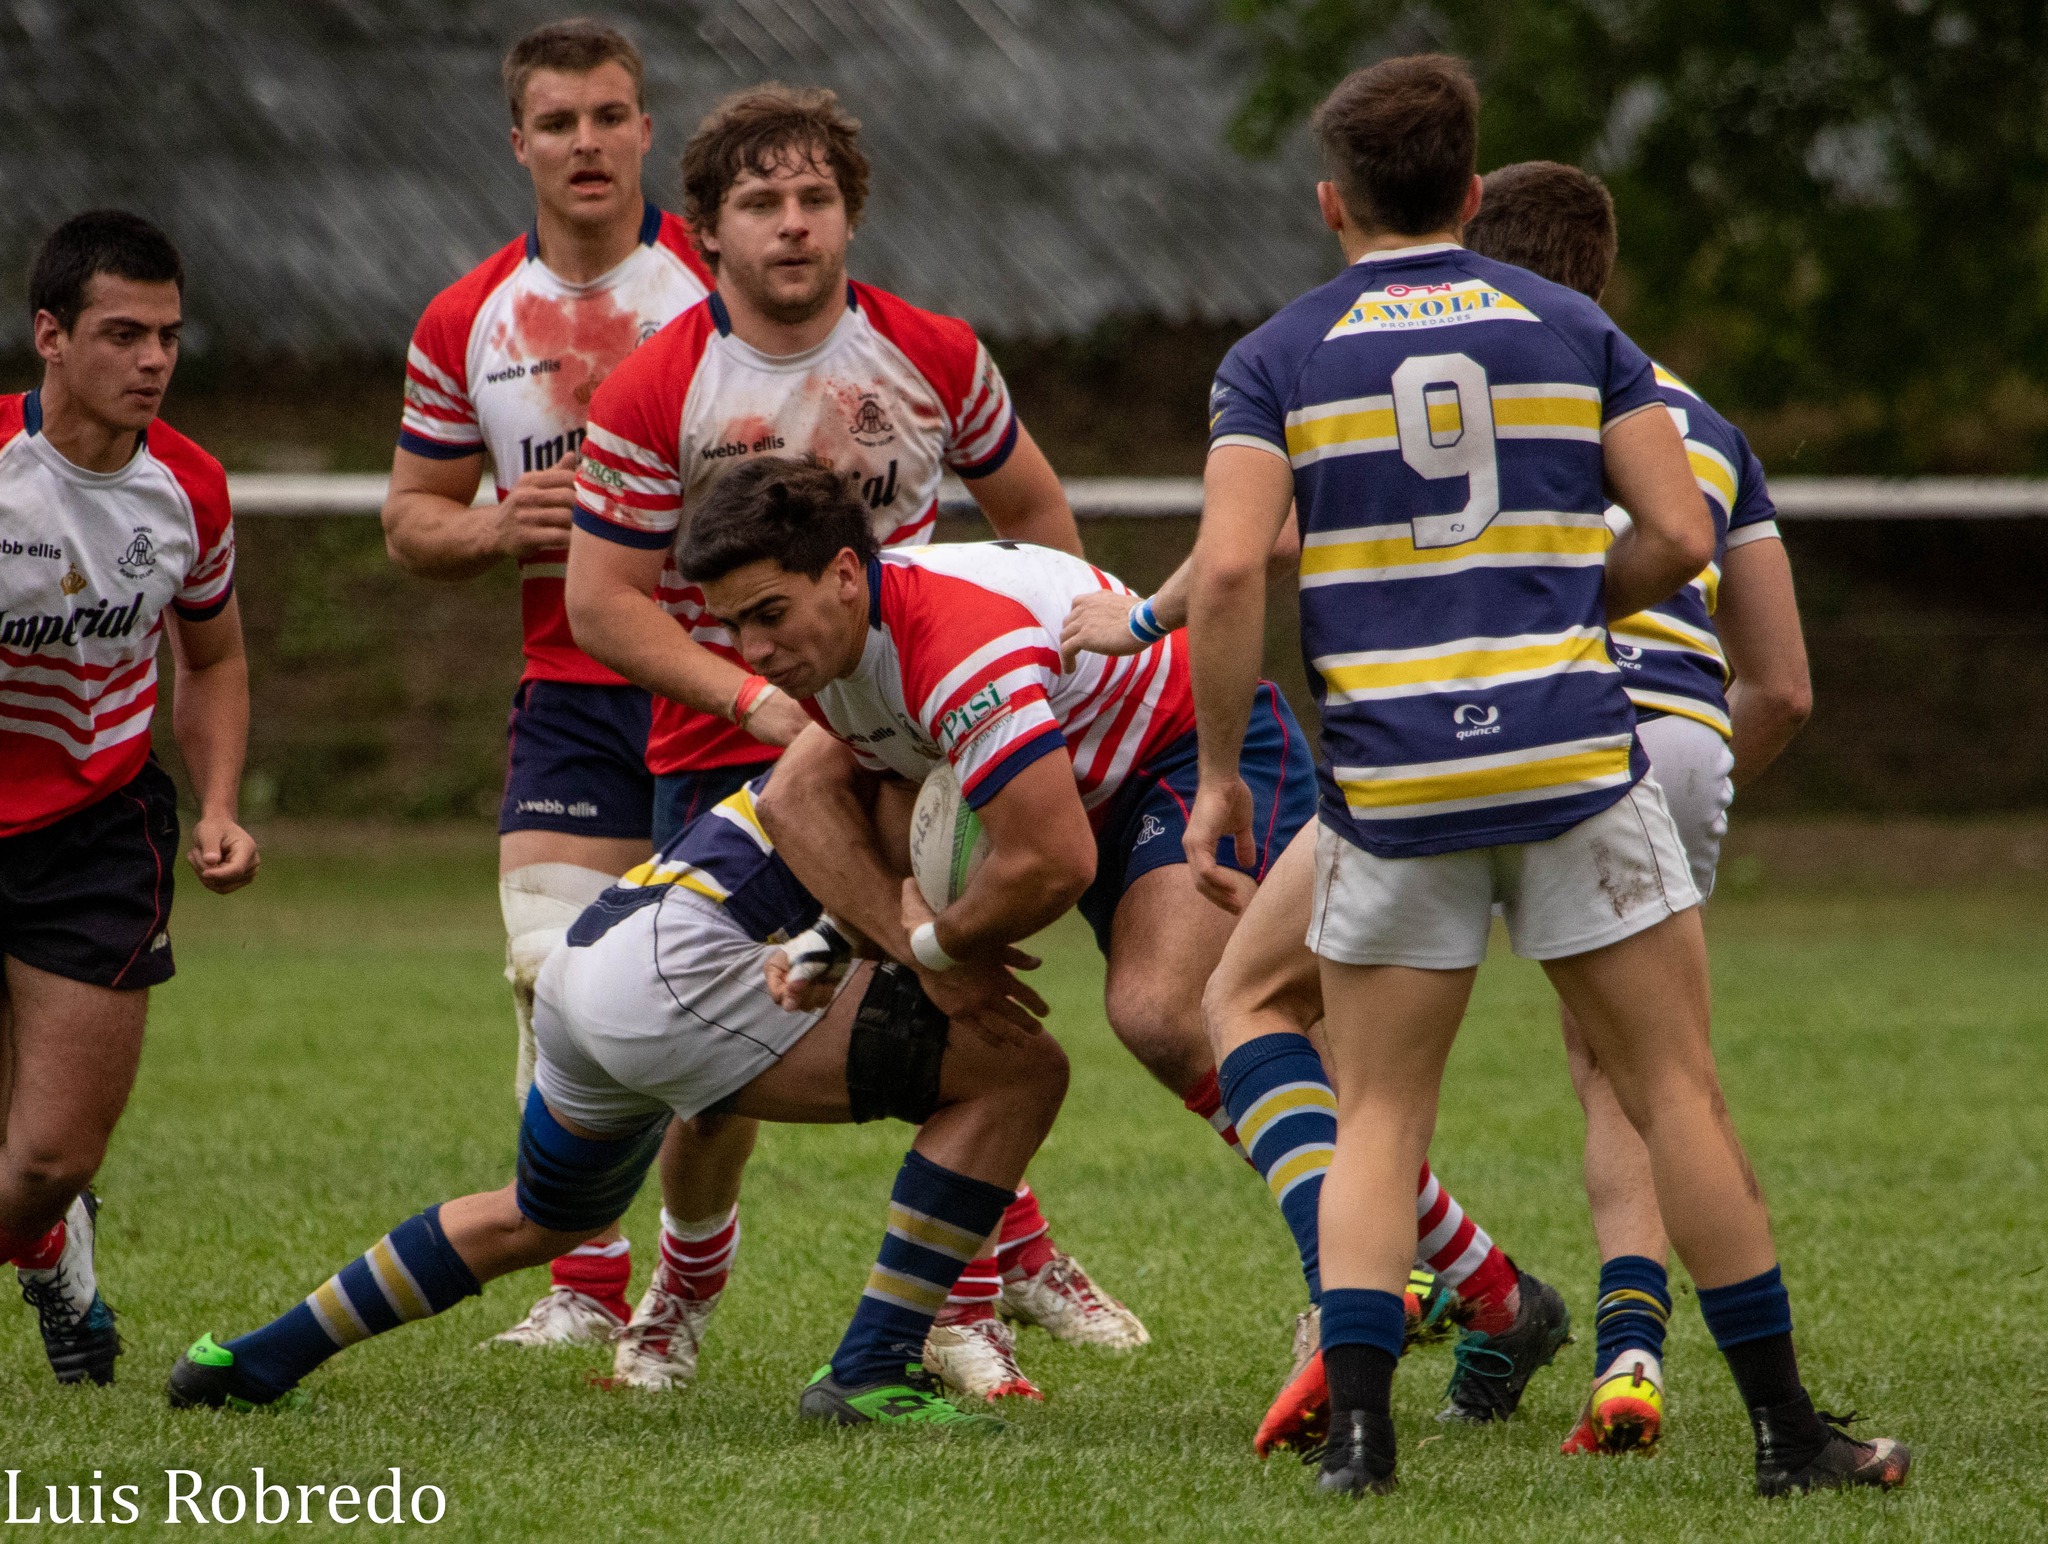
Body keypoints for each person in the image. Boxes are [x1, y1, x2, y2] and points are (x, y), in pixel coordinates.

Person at [1181, 53, 1906, 1498]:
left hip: (1392, 786)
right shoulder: (1573, 326)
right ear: (1467, 188)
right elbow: (1681, 538)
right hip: (1576, 760)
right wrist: (1563, 602)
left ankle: (1368, 1450)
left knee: (1382, 1113)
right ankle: (1785, 1434)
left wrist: (1218, 771)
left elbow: (1223, 577)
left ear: (1333, 201)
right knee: (1674, 1093)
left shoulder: (1274, 357)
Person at [676, 455, 1552, 1403]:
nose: (752, 653)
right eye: (732, 627)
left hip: (1184, 751)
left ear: (846, 574)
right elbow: (841, 799)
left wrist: (933, 950)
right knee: (1153, 1019)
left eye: (767, 615)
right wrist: (843, 939)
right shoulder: (835, 652)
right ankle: (1498, 1299)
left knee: (1173, 1013)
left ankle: (1344, 1306)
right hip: (1076, 785)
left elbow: (1051, 864)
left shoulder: (957, 646)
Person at [564, 84, 1133, 1399]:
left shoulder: (931, 352)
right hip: (733, 737)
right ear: (704, 232)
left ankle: (967, 1307)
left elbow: (1037, 518)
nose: (793, 225)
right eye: (760, 203)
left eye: (815, 197)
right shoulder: (661, 383)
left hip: (924, 736)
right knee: (708, 1069)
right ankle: (680, 1292)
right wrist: (759, 704)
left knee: (960, 1013)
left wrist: (1036, 667)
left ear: (849, 214)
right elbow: (602, 603)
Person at [167, 771, 1068, 1429]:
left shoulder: (861, 715)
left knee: (540, 1218)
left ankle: (254, 1361)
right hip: (670, 981)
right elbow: (915, 876)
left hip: (589, 962)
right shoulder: (928, 736)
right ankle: (870, 1372)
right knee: (1020, 1072)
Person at [379, 18, 752, 1358]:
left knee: (723, 1003)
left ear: (648, 132)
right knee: (548, 982)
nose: (587, 142)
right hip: (574, 691)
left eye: (611, 117)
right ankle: (585, 1283)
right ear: (519, 141)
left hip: (721, 691)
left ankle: (686, 1286)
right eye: (560, 121)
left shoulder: (728, 287)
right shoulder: (462, 319)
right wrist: (496, 528)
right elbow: (412, 520)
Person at [1462, 158, 1814, 1457]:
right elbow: (1780, 687)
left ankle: (1377, 1318)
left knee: (1315, 1023)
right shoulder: (1706, 424)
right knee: (1643, 1075)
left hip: (1481, 731)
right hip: (1674, 737)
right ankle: (1632, 1357)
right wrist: (1690, 784)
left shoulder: (1448, 386)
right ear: (1604, 270)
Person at [0, 210, 259, 1385]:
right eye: (122, 333)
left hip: (97, 831)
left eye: (168, 334)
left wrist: (217, 801)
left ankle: (49, 1234)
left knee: (48, 1157)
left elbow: (211, 660)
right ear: (49, 336)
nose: (153, 359)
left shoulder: (188, 489)